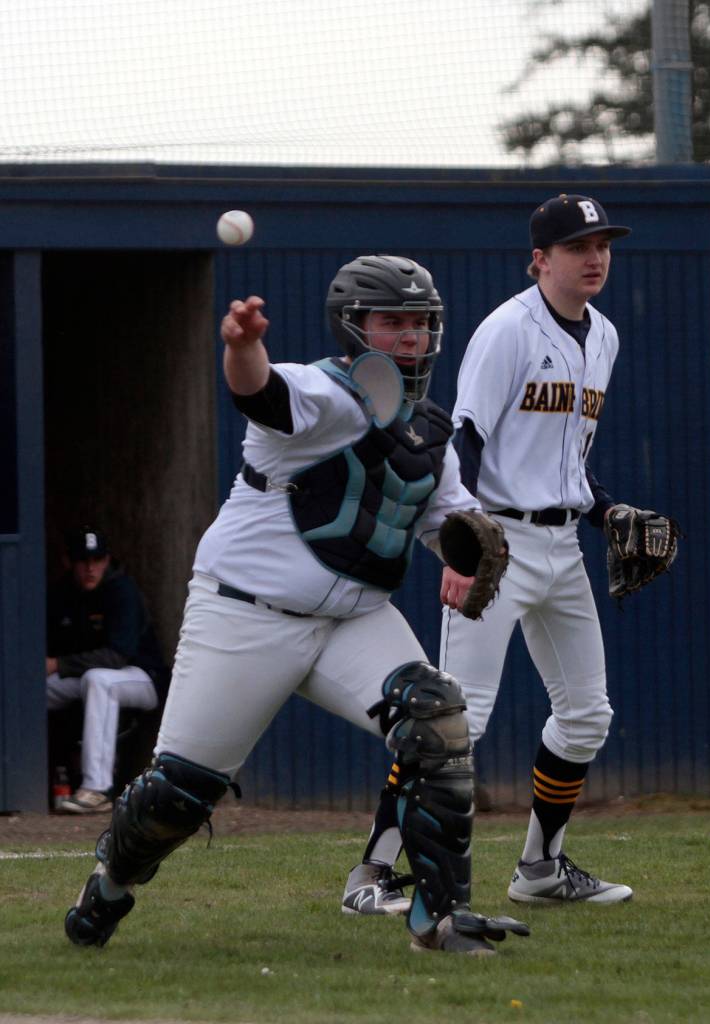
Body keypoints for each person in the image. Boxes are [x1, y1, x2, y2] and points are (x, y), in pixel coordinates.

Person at [64, 255, 528, 957]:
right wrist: (241, 345)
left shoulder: (430, 430)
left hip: (354, 617)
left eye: (419, 323)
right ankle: (110, 882)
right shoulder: (321, 391)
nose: (409, 337)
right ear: (354, 326)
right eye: (391, 322)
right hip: (248, 611)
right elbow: (261, 394)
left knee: (435, 716)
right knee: (179, 797)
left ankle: (441, 918)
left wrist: (469, 547)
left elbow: (444, 518)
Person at [344, 195, 672, 913]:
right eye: (578, 245)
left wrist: (608, 510)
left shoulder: (605, 337)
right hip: (497, 541)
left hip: (561, 545)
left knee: (587, 714)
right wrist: (461, 543)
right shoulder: (507, 330)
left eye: (603, 244)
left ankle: (540, 868)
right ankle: (370, 874)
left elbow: (568, 461)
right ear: (539, 260)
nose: (595, 257)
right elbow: (464, 441)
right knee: (456, 722)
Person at [46, 526, 168, 813]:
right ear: (69, 562)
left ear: (107, 560)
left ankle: (97, 789)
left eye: (97, 560)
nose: (90, 568)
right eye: (83, 560)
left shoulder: (121, 589)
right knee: (36, 689)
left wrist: (58, 664)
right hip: (86, 677)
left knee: (99, 679)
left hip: (142, 678)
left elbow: (117, 657)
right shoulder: (62, 592)